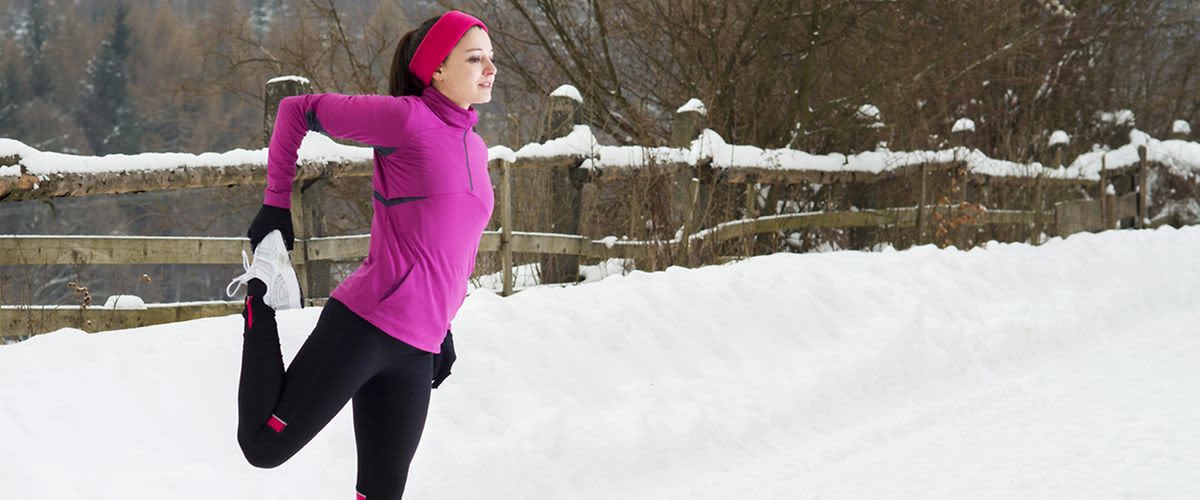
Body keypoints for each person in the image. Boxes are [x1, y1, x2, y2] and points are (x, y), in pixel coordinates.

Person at [224, 10, 496, 500]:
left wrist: (445, 326)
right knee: (263, 446)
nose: (490, 68)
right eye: (475, 58)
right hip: (366, 326)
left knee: (381, 492)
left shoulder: (475, 148)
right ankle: (258, 297)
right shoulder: (407, 120)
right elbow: (295, 111)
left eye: (490, 58)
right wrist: (275, 206)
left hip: (420, 347)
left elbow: (449, 248)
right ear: (436, 69)